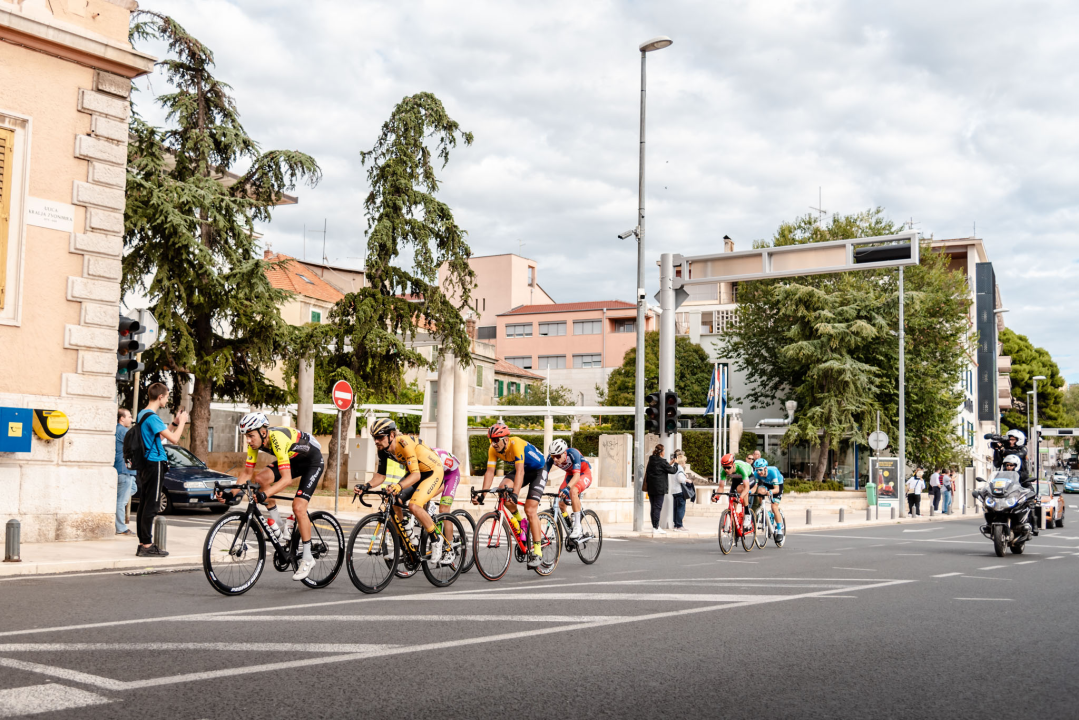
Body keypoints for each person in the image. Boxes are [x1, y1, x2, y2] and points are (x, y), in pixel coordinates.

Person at [224, 412, 325, 580]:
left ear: (263, 432)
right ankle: (278, 526)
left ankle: (308, 558)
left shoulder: (277, 439)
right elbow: (247, 473)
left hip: (312, 462)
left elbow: (286, 480)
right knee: (261, 478)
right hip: (294, 460)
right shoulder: (254, 444)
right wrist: (230, 494)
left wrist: (265, 494)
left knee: (299, 507)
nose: (248, 440)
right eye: (246, 437)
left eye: (250, 436)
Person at [360, 419, 449, 563]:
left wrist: (399, 486)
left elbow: (416, 475)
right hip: (416, 473)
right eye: (374, 438)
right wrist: (366, 486)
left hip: (432, 472)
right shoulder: (382, 450)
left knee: (414, 505)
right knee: (393, 500)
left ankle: (436, 539)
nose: (376, 441)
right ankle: (407, 542)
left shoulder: (404, 443)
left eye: (380, 437)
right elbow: (380, 476)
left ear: (392, 435)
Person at [474, 423, 548, 568]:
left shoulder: (516, 444)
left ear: (505, 439)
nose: (493, 443)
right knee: (503, 490)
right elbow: (490, 472)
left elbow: (520, 472)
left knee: (530, 510)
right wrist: (483, 495)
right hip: (523, 470)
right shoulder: (493, 449)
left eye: (496, 440)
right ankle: (521, 523)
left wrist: (515, 494)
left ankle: (538, 551)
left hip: (538, 470)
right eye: (491, 440)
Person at [135, 383, 187, 557]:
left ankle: (143, 543)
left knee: (144, 503)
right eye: (166, 396)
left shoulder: (143, 414)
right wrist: (183, 423)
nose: (167, 399)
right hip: (154, 463)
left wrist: (174, 422)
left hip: (145, 463)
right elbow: (173, 439)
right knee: (152, 504)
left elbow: (161, 435)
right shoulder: (153, 417)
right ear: (160, 397)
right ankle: (148, 545)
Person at [545, 438, 593, 540]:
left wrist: (568, 488)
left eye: (557, 456)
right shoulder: (551, 458)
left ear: (564, 453)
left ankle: (577, 526)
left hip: (583, 474)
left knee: (573, 491)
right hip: (570, 475)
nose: (555, 460)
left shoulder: (573, 453)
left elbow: (576, 476)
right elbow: (543, 475)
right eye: (553, 456)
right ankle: (569, 525)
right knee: (560, 503)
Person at [716, 453, 755, 530]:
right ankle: (734, 522)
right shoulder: (723, 470)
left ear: (733, 465)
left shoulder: (741, 467)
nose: (726, 470)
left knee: (742, 489)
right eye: (724, 468)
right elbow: (721, 487)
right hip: (736, 480)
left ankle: (747, 513)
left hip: (749, 477)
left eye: (728, 467)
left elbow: (747, 487)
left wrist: (741, 497)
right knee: (732, 496)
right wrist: (717, 496)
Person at [645, 444, 678, 535]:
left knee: (653, 507)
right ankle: (656, 527)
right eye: (664, 451)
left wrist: (669, 463)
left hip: (651, 487)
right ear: (662, 452)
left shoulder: (651, 459)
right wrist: (676, 464)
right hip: (659, 488)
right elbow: (672, 471)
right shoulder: (662, 461)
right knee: (658, 507)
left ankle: (655, 526)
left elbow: (663, 467)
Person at [114, 408, 138, 536]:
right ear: (122, 418)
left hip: (127, 471)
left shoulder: (120, 430)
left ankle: (117, 521)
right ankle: (121, 528)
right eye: (129, 416)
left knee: (132, 489)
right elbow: (135, 446)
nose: (131, 419)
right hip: (124, 470)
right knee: (122, 501)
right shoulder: (123, 431)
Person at [750, 458, 785, 537]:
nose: (759, 472)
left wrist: (771, 492)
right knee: (760, 491)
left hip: (777, 485)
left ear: (765, 468)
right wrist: (749, 492)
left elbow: (776, 489)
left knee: (774, 507)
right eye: (757, 470)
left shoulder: (772, 472)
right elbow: (755, 488)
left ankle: (779, 530)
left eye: (760, 470)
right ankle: (763, 508)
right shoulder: (756, 473)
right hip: (766, 484)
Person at [669, 450, 690, 532]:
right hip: (680, 491)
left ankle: (675, 525)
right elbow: (680, 479)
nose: (685, 462)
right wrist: (687, 480)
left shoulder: (674, 467)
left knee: (675, 509)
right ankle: (680, 526)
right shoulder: (680, 468)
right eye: (684, 461)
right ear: (682, 461)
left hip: (674, 491)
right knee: (681, 509)